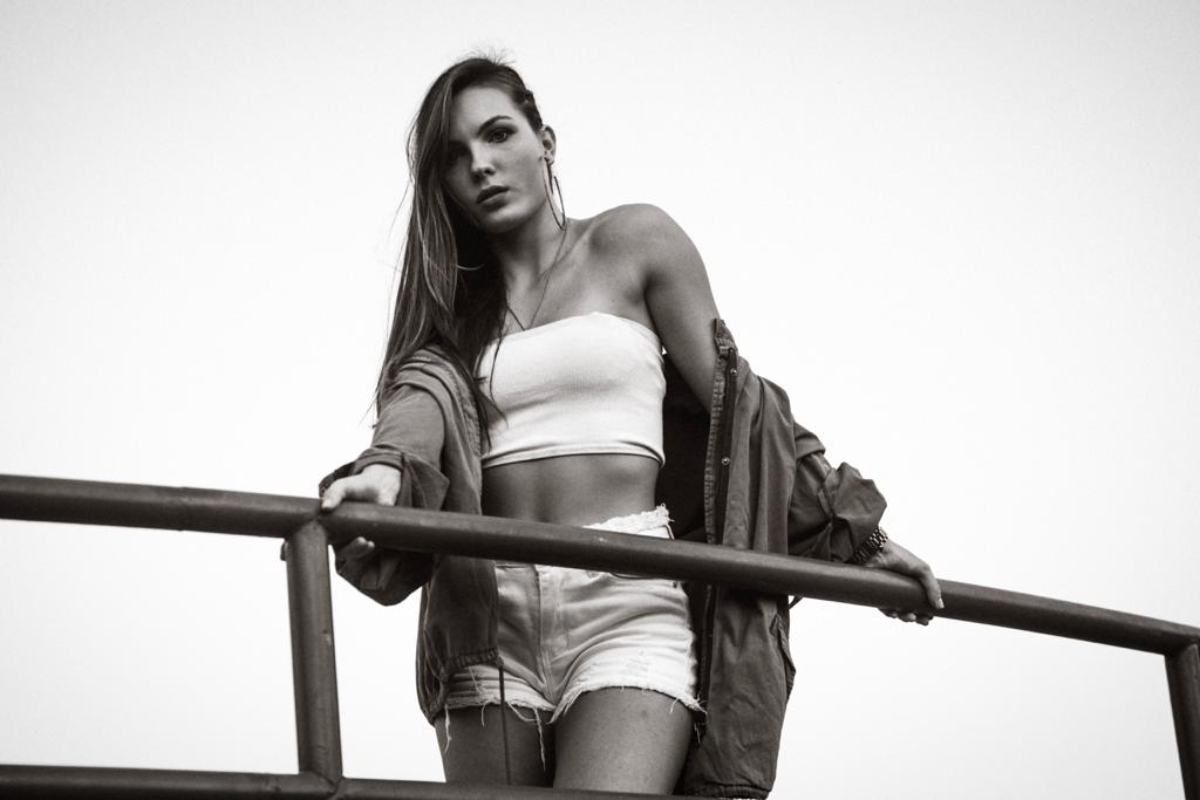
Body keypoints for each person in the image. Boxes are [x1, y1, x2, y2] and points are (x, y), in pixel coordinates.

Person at [317, 54, 943, 797]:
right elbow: (414, 410)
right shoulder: (447, 306)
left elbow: (744, 411)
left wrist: (861, 537)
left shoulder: (634, 242)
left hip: (626, 596)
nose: (480, 164)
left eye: (498, 134)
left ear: (545, 141)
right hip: (484, 612)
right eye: (455, 156)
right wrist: (383, 472)